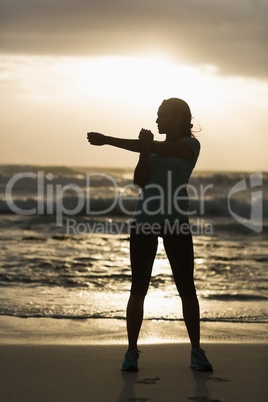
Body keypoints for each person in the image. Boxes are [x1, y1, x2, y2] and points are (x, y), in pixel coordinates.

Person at [87, 98, 213, 372]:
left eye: (162, 115)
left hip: (176, 222)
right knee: (139, 287)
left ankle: (196, 351)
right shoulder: (151, 149)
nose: (157, 120)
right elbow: (139, 181)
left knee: (186, 288)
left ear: (179, 118)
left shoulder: (191, 146)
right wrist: (142, 151)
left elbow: (161, 146)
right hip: (144, 221)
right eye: (157, 115)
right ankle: (131, 351)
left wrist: (110, 139)